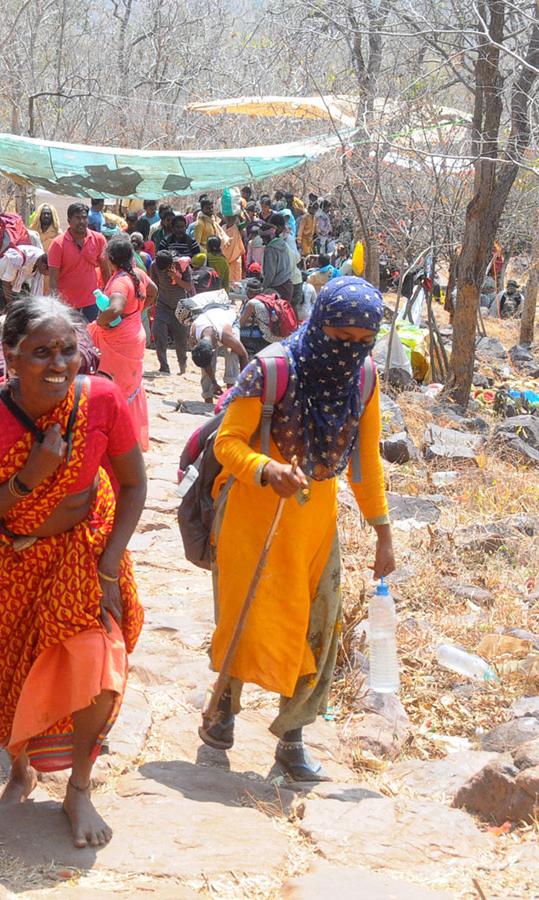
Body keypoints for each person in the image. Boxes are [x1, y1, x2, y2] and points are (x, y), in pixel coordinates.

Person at [0, 296, 146, 848]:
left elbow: (134, 484)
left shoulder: (101, 400)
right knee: (5, 676)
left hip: (83, 558)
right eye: (41, 352)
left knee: (98, 665)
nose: (58, 363)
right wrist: (28, 480)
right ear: (10, 358)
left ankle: (79, 788)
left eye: (67, 350)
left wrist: (110, 562)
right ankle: (20, 771)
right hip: (8, 562)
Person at [201, 276, 395, 780]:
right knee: (244, 613)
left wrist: (383, 530)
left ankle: (293, 735)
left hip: (315, 521)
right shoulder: (271, 369)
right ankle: (223, 705)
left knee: (318, 624)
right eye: (339, 338)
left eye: (361, 342)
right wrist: (268, 470)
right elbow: (229, 443)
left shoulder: (364, 378)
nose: (348, 351)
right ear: (318, 325)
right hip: (252, 513)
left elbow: (366, 461)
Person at [92, 237, 154, 451]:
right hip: (135, 334)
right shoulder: (138, 275)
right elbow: (153, 290)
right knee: (131, 384)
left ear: (110, 259)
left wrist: (100, 322)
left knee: (113, 386)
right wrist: (138, 311)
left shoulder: (120, 281)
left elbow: (115, 309)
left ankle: (115, 437)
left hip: (118, 341)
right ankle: (131, 435)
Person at [48, 202, 111, 323]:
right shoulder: (58, 244)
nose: (81, 221)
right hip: (66, 305)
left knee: (91, 338)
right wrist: (55, 305)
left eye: (84, 217)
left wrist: (109, 296)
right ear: (69, 220)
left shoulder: (99, 239)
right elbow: (53, 280)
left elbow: (105, 270)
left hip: (93, 302)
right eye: (77, 218)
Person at [190, 303, 249, 403]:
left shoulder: (226, 335)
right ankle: (208, 398)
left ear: (214, 352)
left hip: (230, 322)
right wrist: (214, 382)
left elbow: (243, 355)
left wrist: (244, 384)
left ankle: (231, 395)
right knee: (204, 361)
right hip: (212, 320)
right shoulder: (194, 335)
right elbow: (204, 363)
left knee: (232, 355)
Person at [150, 249, 192, 375]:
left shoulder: (182, 266)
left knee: (181, 339)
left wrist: (175, 278)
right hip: (162, 305)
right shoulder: (154, 265)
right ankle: (164, 366)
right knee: (159, 335)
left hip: (180, 306)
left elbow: (189, 286)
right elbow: (154, 283)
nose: (162, 270)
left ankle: (182, 364)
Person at [0, 244, 48, 312]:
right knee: (4, 308)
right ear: (44, 266)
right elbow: (6, 284)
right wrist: (12, 306)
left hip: (15, 281)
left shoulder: (40, 260)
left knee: (24, 303)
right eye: (49, 272)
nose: (48, 275)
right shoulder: (18, 259)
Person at [237, 277, 285, 356]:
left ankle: (247, 354)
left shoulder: (252, 303)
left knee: (237, 333)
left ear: (249, 292)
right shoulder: (268, 299)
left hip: (267, 337)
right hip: (280, 335)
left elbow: (240, 324)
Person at [261, 215, 296, 304]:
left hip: (278, 287)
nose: (262, 241)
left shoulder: (270, 249)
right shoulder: (282, 243)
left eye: (263, 238)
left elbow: (270, 273)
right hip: (287, 284)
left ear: (269, 236)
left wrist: (262, 288)